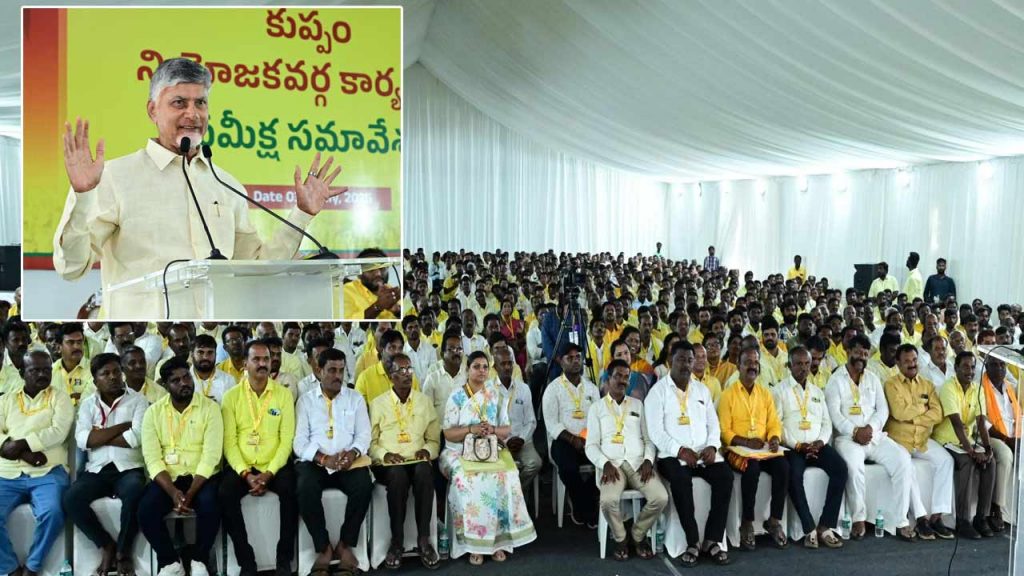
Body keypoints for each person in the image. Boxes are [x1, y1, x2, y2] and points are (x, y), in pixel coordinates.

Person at [54, 58, 344, 318]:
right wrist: (82, 197)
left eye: (200, 103)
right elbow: (71, 267)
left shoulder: (226, 184)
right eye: (179, 103)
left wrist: (302, 214)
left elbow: (256, 266)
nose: (193, 114)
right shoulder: (114, 177)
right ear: (153, 110)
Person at [439, 351, 536, 565]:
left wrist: (491, 429)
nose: (481, 371)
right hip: (458, 451)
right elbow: (448, 433)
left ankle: (498, 542)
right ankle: (473, 544)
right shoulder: (456, 396)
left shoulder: (494, 395)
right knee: (469, 479)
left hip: (490, 448)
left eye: (485, 367)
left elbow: (506, 429)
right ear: (467, 369)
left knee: (508, 474)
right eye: (476, 366)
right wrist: (471, 429)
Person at [645, 341, 731, 567]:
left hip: (704, 453)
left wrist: (712, 446)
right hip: (671, 456)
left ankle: (712, 540)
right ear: (670, 361)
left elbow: (714, 424)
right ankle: (692, 541)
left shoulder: (702, 390)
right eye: (681, 359)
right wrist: (680, 451)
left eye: (690, 360)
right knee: (681, 482)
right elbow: (655, 432)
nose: (686, 365)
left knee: (726, 477)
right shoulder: (657, 392)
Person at [825, 335, 918, 541]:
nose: (862, 357)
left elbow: (883, 410)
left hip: (874, 435)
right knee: (853, 465)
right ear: (848, 351)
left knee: (902, 460)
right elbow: (834, 414)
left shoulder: (873, 378)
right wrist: (855, 431)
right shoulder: (836, 379)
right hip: (847, 438)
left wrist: (870, 428)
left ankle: (901, 521)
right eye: (858, 352)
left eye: (866, 354)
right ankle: (859, 518)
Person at [64, 353, 148, 576]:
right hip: (97, 469)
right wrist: (123, 426)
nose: (113, 377)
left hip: (128, 468)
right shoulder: (87, 404)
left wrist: (99, 436)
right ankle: (106, 544)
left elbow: (136, 438)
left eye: (116, 372)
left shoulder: (138, 400)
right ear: (95, 380)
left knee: (136, 492)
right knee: (71, 499)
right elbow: (83, 440)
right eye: (106, 374)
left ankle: (123, 552)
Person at [219, 340, 298, 576]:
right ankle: (246, 561)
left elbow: (286, 440)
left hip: (274, 464)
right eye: (257, 359)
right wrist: (245, 473)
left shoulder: (283, 395)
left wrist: (268, 473)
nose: (263, 364)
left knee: (293, 490)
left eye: (266, 359)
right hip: (242, 465)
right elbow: (229, 443)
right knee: (224, 493)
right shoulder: (231, 397)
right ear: (245, 364)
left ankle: (284, 557)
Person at [139, 357, 224, 576]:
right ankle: (170, 562)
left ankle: (199, 559)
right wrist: (174, 493)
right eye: (176, 380)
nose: (184, 383)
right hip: (169, 478)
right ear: (165, 385)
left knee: (211, 504)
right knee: (146, 510)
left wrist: (190, 493)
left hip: (201, 476)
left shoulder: (210, 408)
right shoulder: (153, 413)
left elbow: (211, 456)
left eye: (186, 377)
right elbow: (152, 459)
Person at [294, 348, 372, 575]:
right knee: (304, 487)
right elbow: (299, 442)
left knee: (364, 486)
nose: (338, 376)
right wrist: (323, 458)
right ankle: (324, 548)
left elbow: (364, 435)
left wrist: (353, 453)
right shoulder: (306, 401)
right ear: (319, 371)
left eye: (341, 370)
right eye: (332, 370)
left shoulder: (354, 397)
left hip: (347, 461)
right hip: (317, 462)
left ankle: (345, 545)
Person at [0, 350, 73, 576]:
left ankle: (33, 566)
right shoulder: (6, 400)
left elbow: (58, 432)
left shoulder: (60, 398)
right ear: (22, 373)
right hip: (8, 472)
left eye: (47, 370)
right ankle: (9, 568)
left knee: (53, 512)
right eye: (35, 370)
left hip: (48, 471)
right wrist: (27, 454)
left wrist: (20, 444)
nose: (42, 374)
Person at [585, 359, 665, 561]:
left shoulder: (638, 404)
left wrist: (648, 460)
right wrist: (604, 464)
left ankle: (637, 535)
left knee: (660, 497)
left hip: (639, 464)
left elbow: (648, 440)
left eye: (626, 377)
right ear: (607, 379)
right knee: (608, 500)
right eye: (617, 376)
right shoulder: (597, 408)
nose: (622, 380)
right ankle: (620, 538)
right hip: (613, 465)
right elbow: (591, 445)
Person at [367, 353, 440, 570]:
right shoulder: (378, 404)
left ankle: (424, 540)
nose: (407, 374)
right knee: (397, 477)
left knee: (425, 472)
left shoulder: (424, 401)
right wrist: (383, 454)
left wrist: (427, 451)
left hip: (417, 459)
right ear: (391, 376)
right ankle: (397, 542)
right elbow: (369, 442)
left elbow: (434, 439)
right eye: (401, 370)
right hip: (389, 463)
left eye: (410, 369)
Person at [771, 347, 845, 548]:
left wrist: (820, 442)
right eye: (798, 364)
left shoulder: (817, 392)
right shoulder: (779, 391)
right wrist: (797, 444)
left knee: (841, 469)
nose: (803, 368)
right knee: (793, 476)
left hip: (817, 445)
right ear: (789, 365)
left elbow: (826, 422)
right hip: (794, 447)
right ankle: (808, 527)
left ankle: (825, 525)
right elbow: (776, 424)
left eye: (807, 363)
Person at [718, 346, 788, 550]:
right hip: (737, 450)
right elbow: (724, 431)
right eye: (747, 362)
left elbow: (774, 422)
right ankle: (747, 523)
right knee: (752, 469)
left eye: (756, 362)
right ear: (738, 366)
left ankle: (774, 521)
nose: (752, 366)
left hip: (763, 449)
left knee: (783, 466)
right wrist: (746, 443)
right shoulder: (728, 395)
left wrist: (774, 437)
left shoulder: (765, 394)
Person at [883, 344, 955, 540]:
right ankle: (921, 517)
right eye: (906, 361)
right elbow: (898, 412)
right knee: (907, 467)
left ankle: (937, 516)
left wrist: (914, 416)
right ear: (897, 363)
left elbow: (938, 414)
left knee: (946, 461)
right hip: (900, 440)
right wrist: (922, 408)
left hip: (922, 439)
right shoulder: (891, 384)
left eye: (914, 360)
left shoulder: (927, 384)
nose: (911, 364)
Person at [932, 352, 995, 538]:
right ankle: (963, 520)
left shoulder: (977, 389)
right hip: (947, 440)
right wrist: (971, 451)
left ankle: (981, 517)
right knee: (967, 461)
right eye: (965, 366)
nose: (970, 371)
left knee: (990, 462)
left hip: (966, 440)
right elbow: (957, 423)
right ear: (956, 367)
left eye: (973, 367)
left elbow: (981, 422)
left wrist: (988, 448)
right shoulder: (948, 387)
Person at [542, 343, 601, 527]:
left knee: (606, 463)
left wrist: (589, 440)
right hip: (564, 441)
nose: (576, 361)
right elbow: (551, 424)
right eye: (570, 358)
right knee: (568, 468)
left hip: (589, 440)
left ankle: (583, 502)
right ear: (560, 361)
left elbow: (599, 417)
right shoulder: (553, 389)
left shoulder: (591, 388)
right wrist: (573, 439)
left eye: (578, 357)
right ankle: (584, 506)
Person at [492, 346, 541, 490]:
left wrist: (521, 439)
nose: (507, 367)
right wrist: (506, 441)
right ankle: (513, 495)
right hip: (499, 442)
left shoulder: (523, 389)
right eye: (503, 364)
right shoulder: (488, 390)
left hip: (522, 440)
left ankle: (514, 491)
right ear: (495, 366)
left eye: (510, 363)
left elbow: (531, 421)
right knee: (497, 468)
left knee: (535, 464)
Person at [981, 353, 1018, 532]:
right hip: (991, 436)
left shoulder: (1010, 387)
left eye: (1002, 365)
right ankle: (997, 508)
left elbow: (1016, 415)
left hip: (1014, 435)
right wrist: (1006, 439)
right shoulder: (980, 386)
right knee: (1005, 454)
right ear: (986, 367)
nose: (999, 369)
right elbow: (983, 421)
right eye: (994, 365)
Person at [355, 330, 421, 405]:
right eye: (392, 348)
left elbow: (418, 404)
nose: (397, 352)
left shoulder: (410, 377)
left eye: (400, 348)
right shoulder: (365, 378)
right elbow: (358, 411)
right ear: (382, 350)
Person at [342, 249, 400, 320]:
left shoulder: (392, 291)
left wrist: (397, 311)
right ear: (359, 274)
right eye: (370, 269)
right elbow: (348, 321)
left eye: (382, 268)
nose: (378, 274)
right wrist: (378, 306)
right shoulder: (346, 291)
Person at [52, 322, 94, 404]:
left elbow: (89, 402)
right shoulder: (51, 371)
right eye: (71, 342)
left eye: (79, 342)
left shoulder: (94, 369)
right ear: (58, 347)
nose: (77, 346)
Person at [401, 316, 436, 383]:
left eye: (416, 326)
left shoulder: (430, 349)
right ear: (404, 332)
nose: (414, 329)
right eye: (410, 327)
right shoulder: (402, 353)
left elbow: (434, 374)